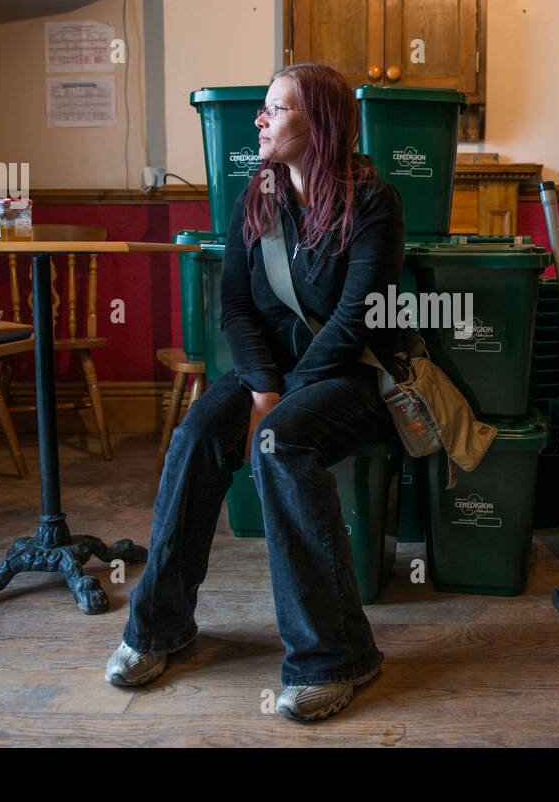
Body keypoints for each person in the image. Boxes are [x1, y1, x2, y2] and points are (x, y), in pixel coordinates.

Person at [104, 63, 405, 722]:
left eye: (277, 108)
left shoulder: (374, 201)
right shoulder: (258, 196)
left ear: (318, 122)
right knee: (198, 431)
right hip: (270, 376)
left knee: (279, 441)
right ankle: (159, 626)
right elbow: (235, 305)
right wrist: (264, 387)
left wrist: (282, 400)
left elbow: (358, 319)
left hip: (352, 376)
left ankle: (336, 656)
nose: (259, 119)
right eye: (264, 108)